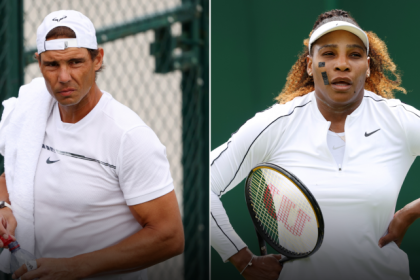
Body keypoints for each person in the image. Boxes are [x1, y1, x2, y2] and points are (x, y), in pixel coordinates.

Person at [211, 9, 420, 280]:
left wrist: (411, 211)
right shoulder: (277, 123)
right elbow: (203, 184)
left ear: (368, 66)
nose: (342, 64)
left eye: (354, 55)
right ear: (310, 64)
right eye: (329, 54)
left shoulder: (398, 120)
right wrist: (242, 258)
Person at [0, 10, 184, 280]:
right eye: (52, 65)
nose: (63, 77)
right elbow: (15, 175)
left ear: (97, 59)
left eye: (75, 62)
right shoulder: (31, 113)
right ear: (39, 63)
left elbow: (169, 237)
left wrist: (75, 267)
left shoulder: (129, 136)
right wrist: (3, 205)